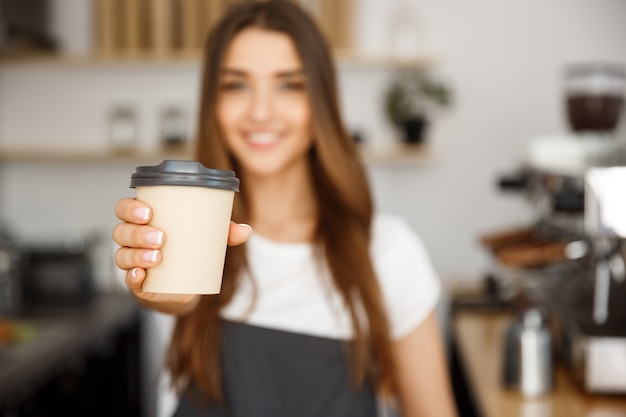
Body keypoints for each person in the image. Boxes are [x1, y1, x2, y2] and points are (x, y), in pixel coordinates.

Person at [112, 1, 458, 416]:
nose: (261, 111)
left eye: (289, 85)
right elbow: (171, 299)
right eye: (236, 85)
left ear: (322, 101)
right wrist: (161, 293)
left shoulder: (388, 252)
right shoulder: (178, 231)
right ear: (212, 104)